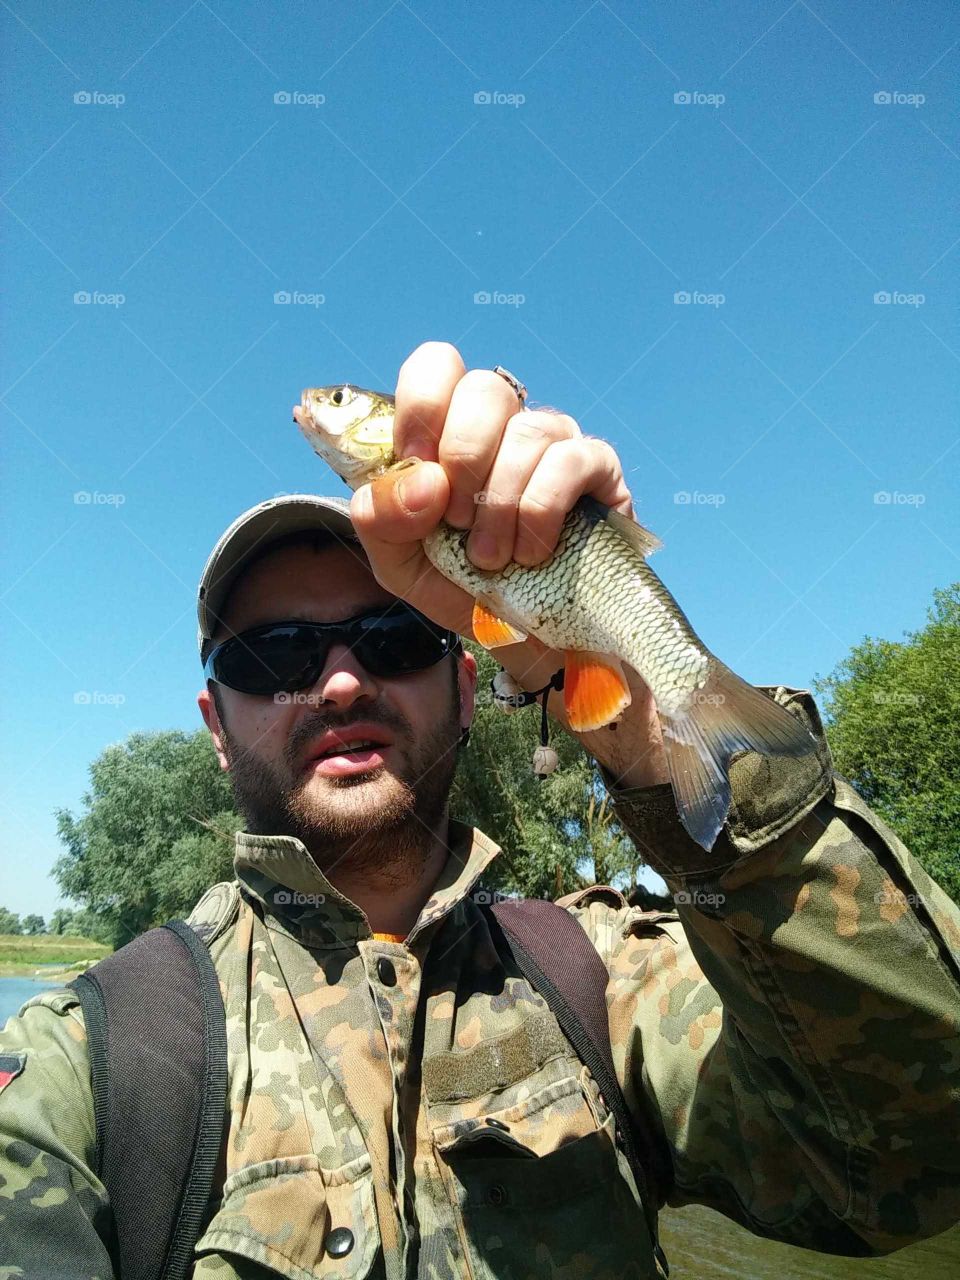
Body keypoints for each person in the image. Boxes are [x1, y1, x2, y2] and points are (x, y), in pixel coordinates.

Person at [2, 342, 959, 1279]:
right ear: (216, 724)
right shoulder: (85, 1058)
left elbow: (910, 1164)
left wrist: (653, 736)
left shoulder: (606, 981)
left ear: (470, 685)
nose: (339, 683)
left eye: (393, 636)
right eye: (276, 655)